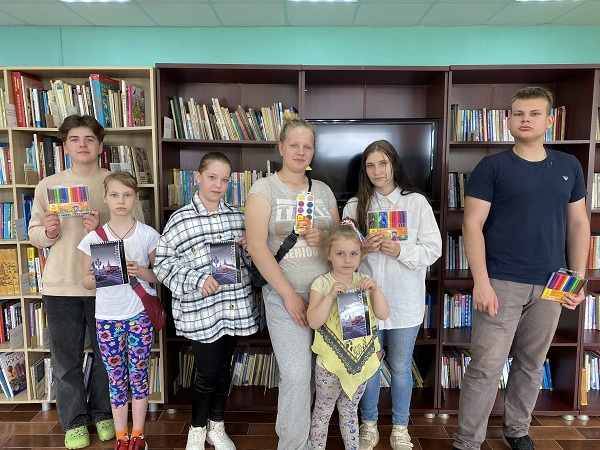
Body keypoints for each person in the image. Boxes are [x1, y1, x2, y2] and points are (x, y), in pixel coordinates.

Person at [452, 86, 590, 450]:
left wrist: (577, 278)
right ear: (509, 120)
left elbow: (578, 224)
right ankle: (467, 442)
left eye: (534, 113)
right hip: (500, 282)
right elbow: (471, 225)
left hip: (552, 284)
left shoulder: (569, 166)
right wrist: (481, 282)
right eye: (518, 114)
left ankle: (516, 430)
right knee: (486, 367)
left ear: (549, 120)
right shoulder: (492, 166)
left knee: (531, 364)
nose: (525, 119)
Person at [245, 112, 341, 450]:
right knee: (297, 376)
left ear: (313, 151)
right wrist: (288, 296)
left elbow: (340, 242)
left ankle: (314, 442)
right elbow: (257, 246)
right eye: (294, 145)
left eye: (307, 147)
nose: (301, 152)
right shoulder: (263, 189)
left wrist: (326, 236)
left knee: (324, 373)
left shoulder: (324, 190)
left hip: (327, 296)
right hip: (285, 295)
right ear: (281, 147)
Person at [154, 152, 258, 450]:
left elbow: (250, 265)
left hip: (233, 307)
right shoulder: (180, 219)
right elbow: (162, 265)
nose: (218, 185)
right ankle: (197, 430)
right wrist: (198, 279)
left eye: (224, 180)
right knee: (207, 372)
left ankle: (217, 426)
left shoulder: (238, 217)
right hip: (202, 311)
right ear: (197, 177)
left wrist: (248, 250)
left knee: (224, 369)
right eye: (212, 177)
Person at [342, 139, 442, 450]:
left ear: (393, 164)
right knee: (367, 365)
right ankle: (368, 423)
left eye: (383, 163)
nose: (377, 171)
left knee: (400, 366)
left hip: (404, 300)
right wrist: (362, 249)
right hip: (362, 301)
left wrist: (400, 250)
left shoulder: (416, 203)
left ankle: (400, 427)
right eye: (370, 165)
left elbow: (434, 249)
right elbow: (341, 254)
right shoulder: (354, 206)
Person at [28, 115, 117, 449]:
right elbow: (35, 234)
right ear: (65, 146)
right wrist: (49, 232)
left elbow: (132, 231)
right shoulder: (48, 185)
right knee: (65, 359)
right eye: (75, 139)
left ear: (100, 145)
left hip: (105, 281)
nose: (83, 145)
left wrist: (102, 229)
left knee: (108, 355)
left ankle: (103, 413)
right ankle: (74, 422)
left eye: (89, 139)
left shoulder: (114, 182)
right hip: (61, 284)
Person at [78, 171, 160, 450]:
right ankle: (122, 436)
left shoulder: (148, 235)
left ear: (136, 198)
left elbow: (160, 276)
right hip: (107, 318)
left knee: (139, 375)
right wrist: (104, 275)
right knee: (116, 379)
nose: (120, 200)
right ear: (105, 198)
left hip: (139, 315)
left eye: (127, 195)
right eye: (114, 195)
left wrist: (141, 272)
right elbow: (85, 281)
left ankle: (139, 434)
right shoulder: (95, 238)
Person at [307, 219, 389, 450]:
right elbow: (314, 321)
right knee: (322, 411)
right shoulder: (322, 283)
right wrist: (330, 296)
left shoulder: (364, 282)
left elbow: (383, 314)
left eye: (353, 254)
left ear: (361, 256)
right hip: (330, 365)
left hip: (358, 364)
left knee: (350, 411)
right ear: (328, 254)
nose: (347, 260)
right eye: (340, 254)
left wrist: (376, 289)